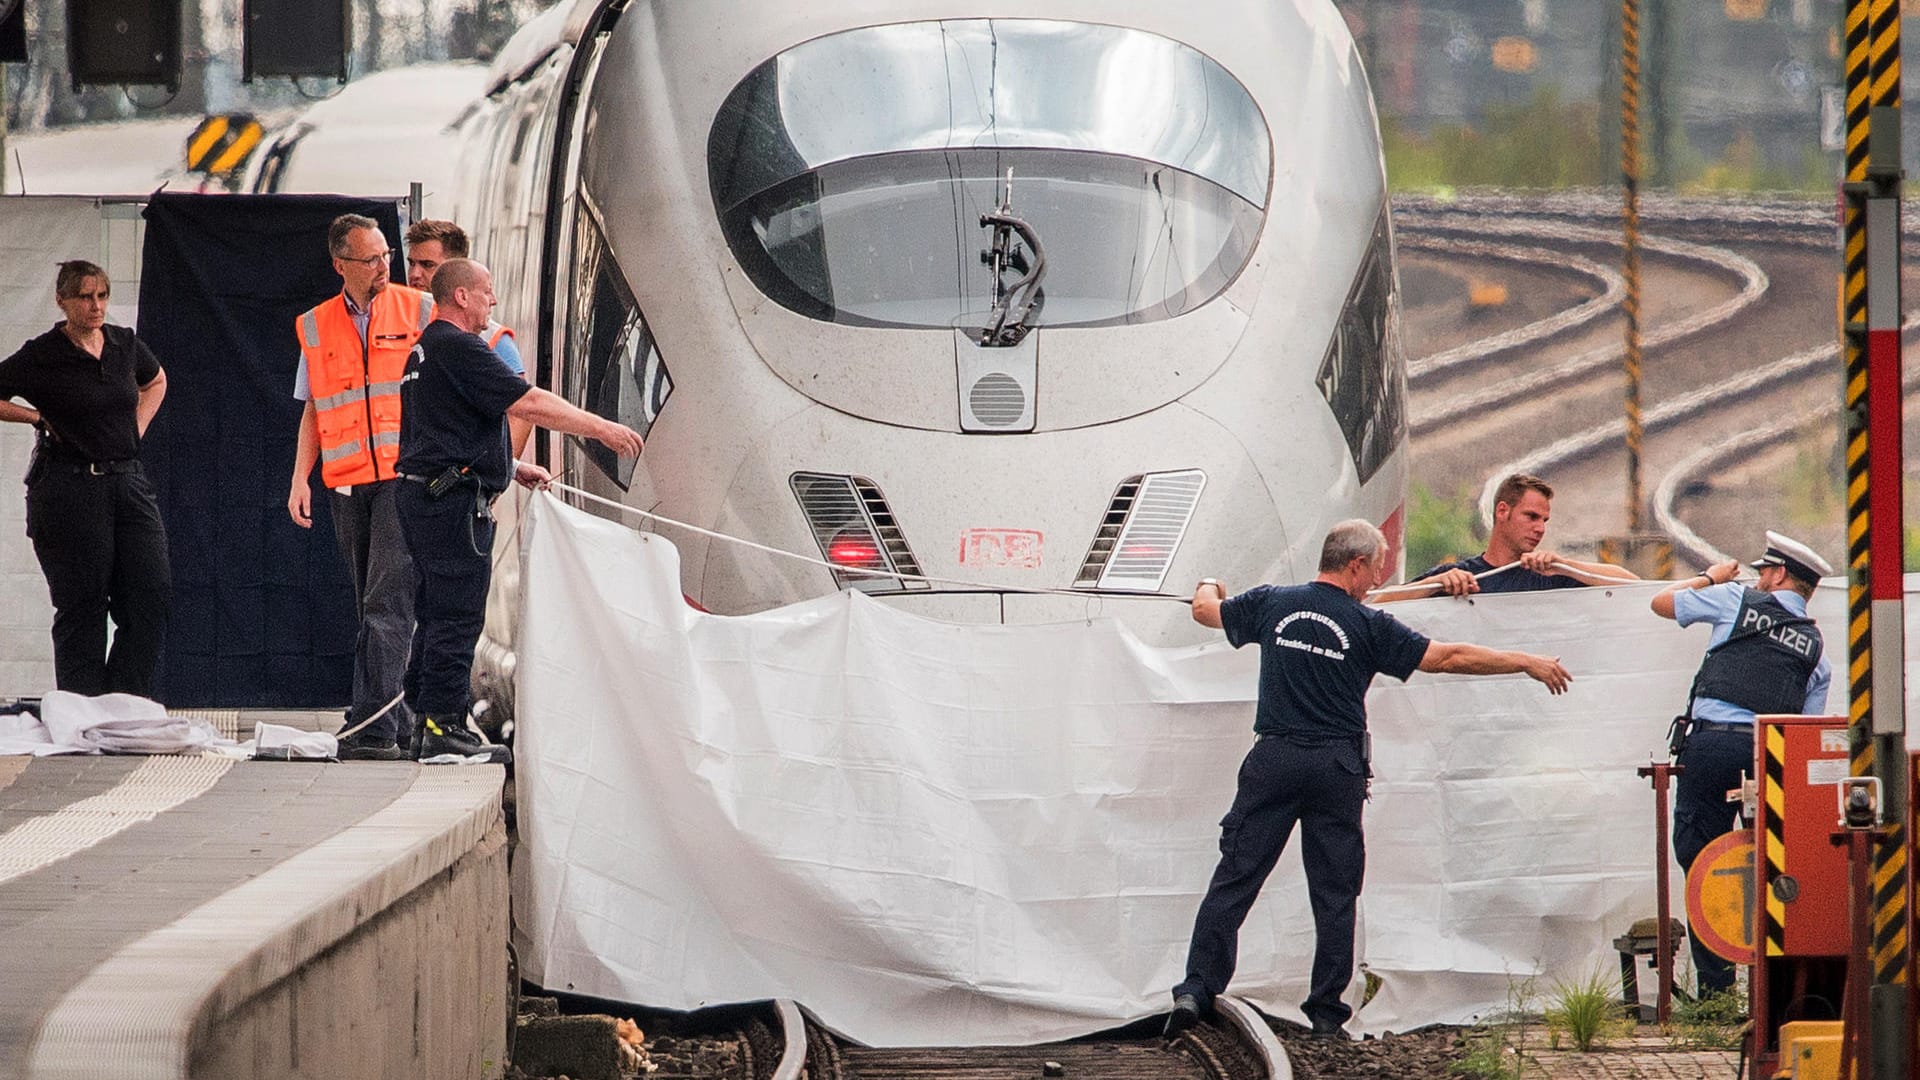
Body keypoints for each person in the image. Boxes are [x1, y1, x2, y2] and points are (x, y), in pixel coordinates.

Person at [1164, 520, 1572, 1039]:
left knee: (1236, 876)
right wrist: (1525, 661)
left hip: (1274, 760)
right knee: (1335, 893)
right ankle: (1326, 1014)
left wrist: (1208, 582)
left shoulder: (1272, 602)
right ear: (1355, 564)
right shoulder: (1368, 624)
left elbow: (1205, 612)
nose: (1377, 581)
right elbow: (1447, 657)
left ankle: (1196, 988)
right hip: (1336, 769)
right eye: (1375, 569)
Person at [397, 258, 644, 763]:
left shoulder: (426, 351)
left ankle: (419, 725)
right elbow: (528, 402)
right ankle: (443, 730)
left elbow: (445, 431)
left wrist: (508, 468)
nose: (493, 301)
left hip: (428, 495)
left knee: (434, 610)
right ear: (461, 296)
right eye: (486, 291)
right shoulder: (460, 347)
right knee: (457, 614)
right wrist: (601, 429)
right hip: (450, 505)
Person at [1651, 531, 1830, 997]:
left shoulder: (1735, 599)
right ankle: (1772, 991)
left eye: (1762, 571)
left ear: (1776, 575)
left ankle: (1716, 990)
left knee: (1700, 859)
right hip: (1768, 759)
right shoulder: (1815, 649)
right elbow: (1803, 734)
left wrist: (1711, 576)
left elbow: (1662, 603)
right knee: (1774, 866)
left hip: (1712, 749)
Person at [287, 214, 436, 760]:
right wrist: (299, 478)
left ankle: (371, 727)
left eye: (386, 256)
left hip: (403, 478)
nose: (383, 266)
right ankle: (396, 723)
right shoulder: (316, 325)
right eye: (370, 259)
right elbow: (312, 410)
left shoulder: (417, 309)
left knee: (386, 602)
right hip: (347, 485)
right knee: (369, 603)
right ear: (340, 265)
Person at [0, 261, 171, 697]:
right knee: (83, 604)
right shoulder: (42, 354)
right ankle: (83, 710)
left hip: (127, 482)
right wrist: (34, 417)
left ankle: (123, 703)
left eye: (102, 296)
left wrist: (136, 428)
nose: (95, 306)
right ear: (62, 300)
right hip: (68, 486)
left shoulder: (123, 343)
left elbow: (156, 381)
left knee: (149, 594)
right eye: (84, 297)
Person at [1390, 473, 1638, 600]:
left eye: (1544, 520)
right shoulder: (1463, 575)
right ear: (1502, 511)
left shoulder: (1550, 577)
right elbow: (1380, 603)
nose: (1540, 528)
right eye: (1531, 517)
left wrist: (1566, 566)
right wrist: (1433, 584)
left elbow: (1633, 585)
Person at [402, 219, 531, 459]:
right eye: (411, 263)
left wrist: (493, 474)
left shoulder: (492, 337)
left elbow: (521, 411)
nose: (414, 274)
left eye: (427, 265)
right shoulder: (395, 326)